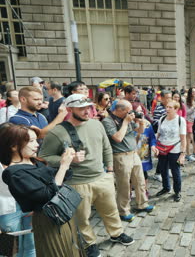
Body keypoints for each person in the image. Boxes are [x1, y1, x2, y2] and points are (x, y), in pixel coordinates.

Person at [39, 94, 134, 257]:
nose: (87, 111)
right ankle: (89, 243)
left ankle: (116, 233)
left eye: (88, 107)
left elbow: (106, 148)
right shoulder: (57, 132)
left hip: (102, 178)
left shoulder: (96, 125)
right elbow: (44, 156)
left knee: (110, 210)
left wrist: (110, 171)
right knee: (82, 219)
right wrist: (67, 159)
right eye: (81, 108)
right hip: (76, 183)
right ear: (69, 109)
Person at [1, 123, 82, 256]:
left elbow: (57, 178)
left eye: (36, 140)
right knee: (11, 249)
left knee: (33, 246)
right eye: (31, 141)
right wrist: (63, 166)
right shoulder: (13, 172)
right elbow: (48, 195)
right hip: (24, 214)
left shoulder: (33, 161)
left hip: (52, 212)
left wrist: (66, 162)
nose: (37, 145)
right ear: (13, 146)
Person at [102, 100, 153, 222]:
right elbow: (118, 138)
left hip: (133, 154)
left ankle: (142, 204)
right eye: (128, 110)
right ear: (119, 110)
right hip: (120, 156)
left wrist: (140, 123)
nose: (131, 112)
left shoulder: (128, 118)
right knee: (124, 185)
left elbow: (139, 131)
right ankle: (123, 211)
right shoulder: (108, 121)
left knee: (140, 181)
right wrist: (125, 122)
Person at [0, 123, 35, 257]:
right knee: (8, 251)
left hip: (28, 208)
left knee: (31, 245)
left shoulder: (27, 157)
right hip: (6, 212)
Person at [154, 100, 186, 202]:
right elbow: (158, 134)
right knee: (163, 169)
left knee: (175, 172)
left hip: (174, 150)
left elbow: (183, 138)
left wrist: (182, 154)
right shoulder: (162, 119)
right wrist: (155, 147)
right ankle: (166, 187)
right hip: (162, 148)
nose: (167, 109)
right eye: (166, 107)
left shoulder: (180, 120)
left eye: (170, 107)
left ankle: (177, 191)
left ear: (176, 109)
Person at [134, 105, 157, 197]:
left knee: (144, 173)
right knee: (133, 174)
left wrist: (153, 146)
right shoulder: (129, 124)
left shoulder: (147, 124)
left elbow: (152, 138)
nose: (141, 113)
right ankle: (132, 190)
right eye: (138, 111)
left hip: (144, 153)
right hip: (133, 153)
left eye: (141, 110)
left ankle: (144, 189)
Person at [185, 87, 195, 162]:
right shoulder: (187, 101)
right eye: (192, 92)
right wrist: (194, 107)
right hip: (188, 121)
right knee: (189, 138)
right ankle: (188, 154)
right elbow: (186, 113)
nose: (194, 93)